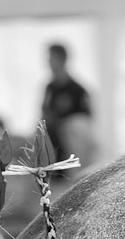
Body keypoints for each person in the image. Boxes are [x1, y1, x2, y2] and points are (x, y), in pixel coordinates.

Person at [40, 41, 98, 170]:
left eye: (52, 59)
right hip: (52, 144)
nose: (49, 63)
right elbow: (43, 115)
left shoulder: (78, 90)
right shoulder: (50, 89)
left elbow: (87, 121)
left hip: (71, 148)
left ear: (62, 60)